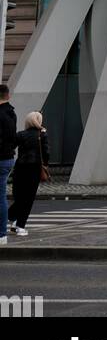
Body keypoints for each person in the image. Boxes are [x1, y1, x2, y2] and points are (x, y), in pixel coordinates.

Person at [8, 112, 49, 236]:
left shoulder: (21, 134)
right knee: (28, 198)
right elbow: (46, 153)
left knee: (19, 197)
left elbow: (10, 146)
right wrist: (45, 164)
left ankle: (12, 219)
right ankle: (20, 225)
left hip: (20, 168)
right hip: (34, 169)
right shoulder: (42, 135)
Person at [0, 83, 16, 247]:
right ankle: (1, 234)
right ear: (8, 96)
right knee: (1, 196)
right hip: (8, 158)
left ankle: (1, 234)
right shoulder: (12, 113)